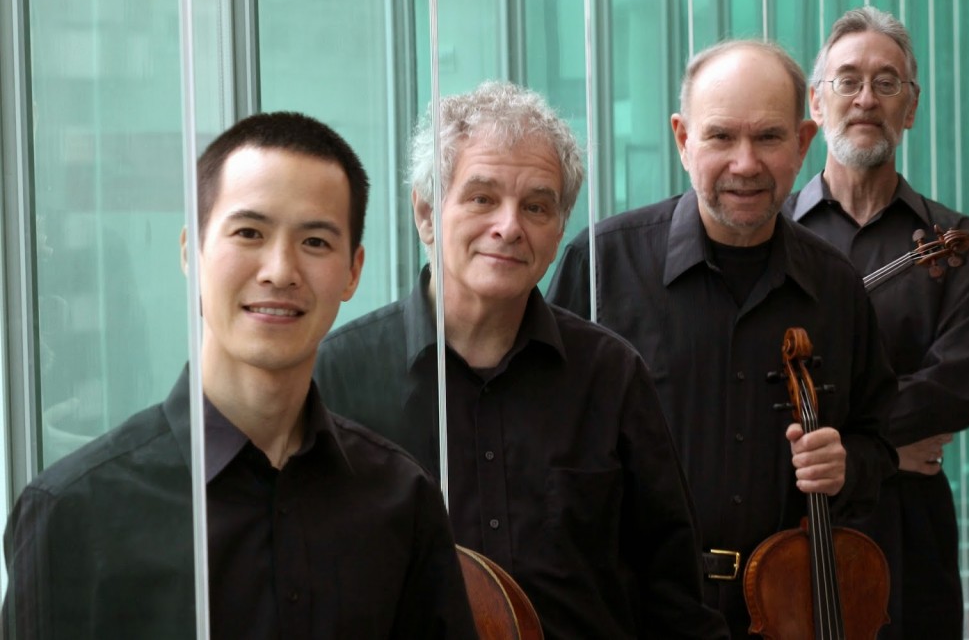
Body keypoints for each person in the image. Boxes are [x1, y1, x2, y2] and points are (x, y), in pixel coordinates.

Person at [3, 112, 477, 639]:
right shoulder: (75, 509)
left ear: (353, 271)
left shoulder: (400, 498)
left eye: (315, 242)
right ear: (192, 250)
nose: (279, 270)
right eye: (249, 232)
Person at [313, 81, 729, 639]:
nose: (509, 227)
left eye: (536, 206)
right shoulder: (338, 376)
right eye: (482, 198)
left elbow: (673, 591)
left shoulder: (612, 375)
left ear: (559, 231)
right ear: (427, 214)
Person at [547, 40, 898, 637]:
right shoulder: (603, 264)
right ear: (684, 140)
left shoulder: (836, 287)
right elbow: (549, 435)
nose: (745, 164)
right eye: (720, 137)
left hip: (790, 610)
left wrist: (847, 465)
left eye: (767, 137)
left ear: (802, 143)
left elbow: (879, 440)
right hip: (636, 614)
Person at [784, 6, 969, 639]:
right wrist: (880, 453)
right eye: (847, 80)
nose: (866, 98)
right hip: (793, 512)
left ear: (911, 107)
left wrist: (840, 444)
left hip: (913, 522)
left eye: (887, 82)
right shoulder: (774, 240)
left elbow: (954, 389)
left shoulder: (959, 241)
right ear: (817, 106)